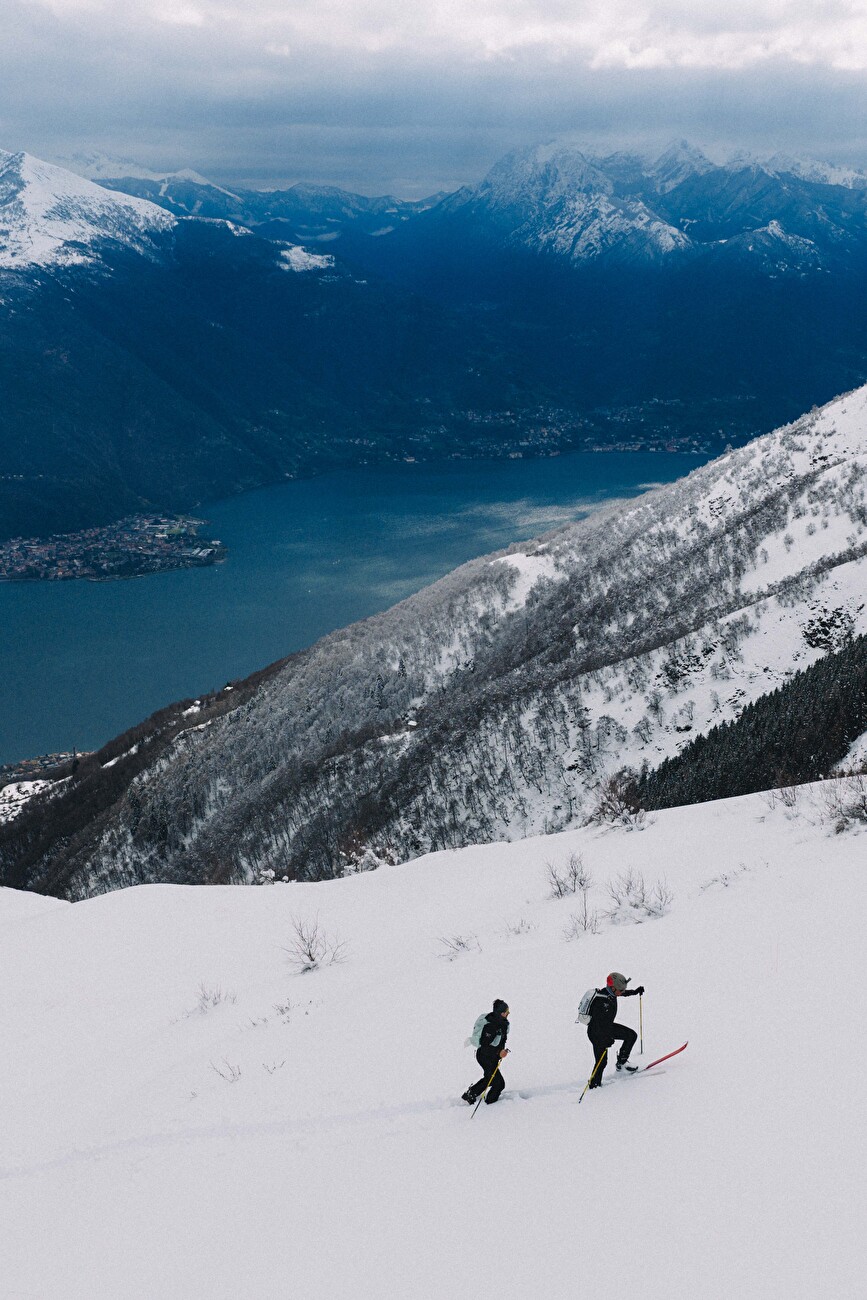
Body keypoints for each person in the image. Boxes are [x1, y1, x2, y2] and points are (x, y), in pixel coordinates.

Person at [585, 972, 645, 1089]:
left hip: (607, 1027)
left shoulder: (612, 993)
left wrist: (634, 992)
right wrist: (605, 1039)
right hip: (596, 1033)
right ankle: (594, 1085)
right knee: (601, 1062)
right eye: (620, 990)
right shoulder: (601, 1002)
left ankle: (621, 1064)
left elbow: (622, 993)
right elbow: (596, 1025)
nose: (622, 992)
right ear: (612, 988)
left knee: (631, 1035)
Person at [462, 999, 510, 1105]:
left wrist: (500, 1052)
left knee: (491, 1078)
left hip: (492, 1057)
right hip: (485, 1057)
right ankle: (490, 1104)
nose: (508, 1014)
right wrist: (499, 1052)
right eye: (506, 1012)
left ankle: (470, 1094)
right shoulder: (491, 1027)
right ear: (501, 1013)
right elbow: (485, 1047)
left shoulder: (502, 1023)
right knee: (499, 1084)